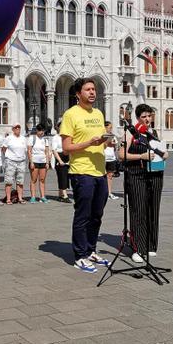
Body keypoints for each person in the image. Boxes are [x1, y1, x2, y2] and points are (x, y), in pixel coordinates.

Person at [60, 78, 112, 273]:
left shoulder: (98, 113)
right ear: (78, 94)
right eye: (88, 89)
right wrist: (89, 143)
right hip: (81, 172)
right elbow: (66, 148)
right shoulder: (70, 115)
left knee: (97, 215)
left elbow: (100, 142)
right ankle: (80, 255)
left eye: (94, 89)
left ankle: (91, 250)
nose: (92, 92)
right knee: (83, 215)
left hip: (100, 171)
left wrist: (107, 141)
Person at [118, 104, 166, 264]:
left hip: (155, 175)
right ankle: (137, 247)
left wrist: (164, 154)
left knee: (153, 209)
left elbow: (158, 151)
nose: (147, 119)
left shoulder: (154, 133)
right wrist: (141, 156)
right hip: (136, 176)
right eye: (143, 116)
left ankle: (151, 245)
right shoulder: (130, 132)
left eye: (149, 116)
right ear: (138, 118)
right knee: (139, 211)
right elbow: (121, 155)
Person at [2, 123, 28, 204]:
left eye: (19, 127)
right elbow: (4, 149)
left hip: (21, 161)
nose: (17, 129)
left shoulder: (23, 138)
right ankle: (8, 199)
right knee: (9, 181)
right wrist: (8, 156)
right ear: (13, 129)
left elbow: (25, 150)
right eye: (15, 128)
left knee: (20, 181)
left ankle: (20, 198)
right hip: (11, 161)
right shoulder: (9, 138)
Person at [28, 125, 52, 203]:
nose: (42, 132)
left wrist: (48, 163)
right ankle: (33, 197)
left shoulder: (45, 140)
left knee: (42, 180)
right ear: (37, 131)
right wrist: (31, 162)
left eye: (43, 131)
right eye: (41, 131)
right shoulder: (32, 138)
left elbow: (47, 152)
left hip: (43, 162)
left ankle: (42, 196)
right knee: (33, 180)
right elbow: (29, 151)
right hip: (34, 161)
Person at [52, 120, 71, 203]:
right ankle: (65, 195)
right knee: (62, 176)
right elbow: (54, 150)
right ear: (58, 128)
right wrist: (59, 160)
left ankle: (60, 194)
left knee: (65, 176)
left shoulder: (67, 137)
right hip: (59, 157)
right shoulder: (55, 137)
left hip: (67, 156)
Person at [103, 121, 120, 200]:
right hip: (103, 158)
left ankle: (109, 192)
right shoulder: (102, 136)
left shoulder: (113, 136)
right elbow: (104, 145)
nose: (111, 129)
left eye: (111, 128)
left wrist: (114, 144)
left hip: (111, 158)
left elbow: (115, 145)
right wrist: (108, 142)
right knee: (102, 176)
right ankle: (103, 193)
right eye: (109, 127)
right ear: (105, 127)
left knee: (110, 176)